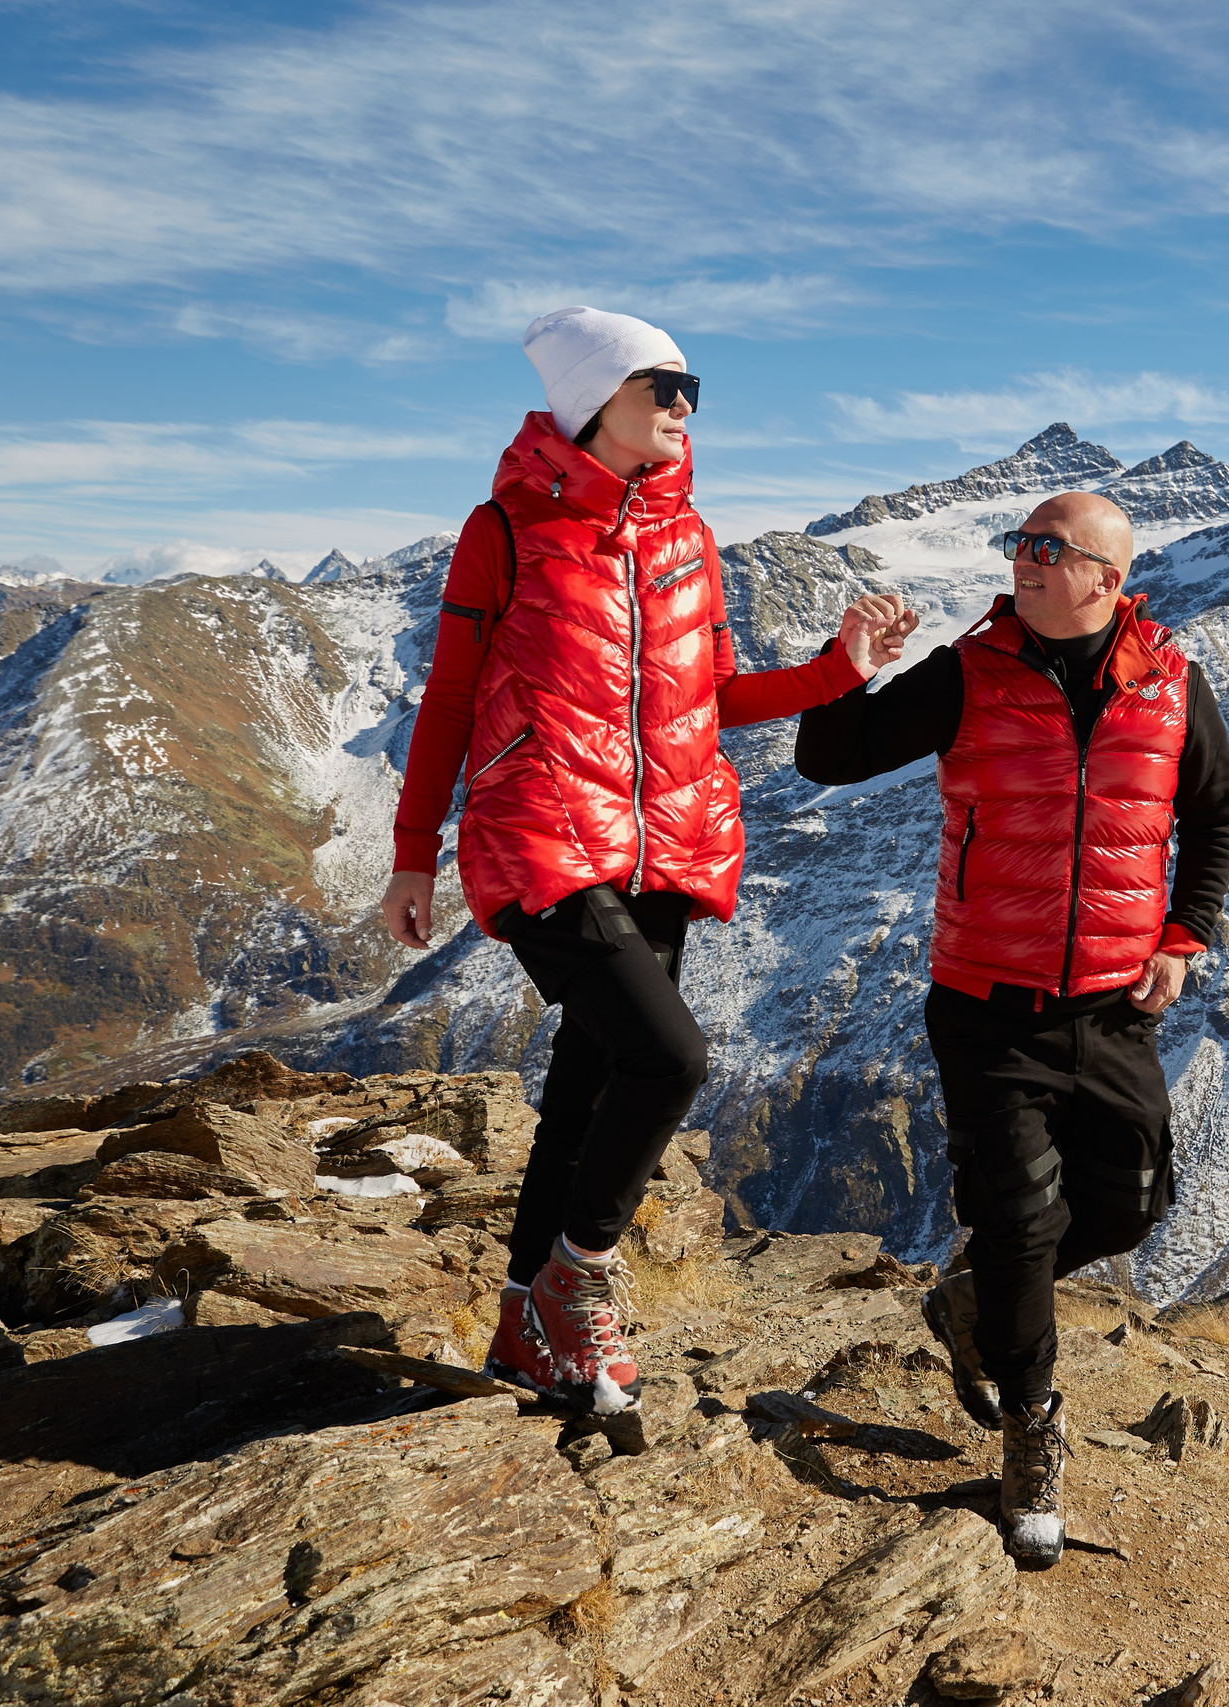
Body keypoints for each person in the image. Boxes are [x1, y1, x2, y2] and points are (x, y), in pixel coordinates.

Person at [380, 306, 916, 1415]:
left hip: (664, 844)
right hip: (540, 833)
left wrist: (835, 670)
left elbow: (715, 700)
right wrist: (411, 851)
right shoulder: (509, 528)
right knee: (669, 1060)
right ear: (594, 403)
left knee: (585, 1090)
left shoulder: (688, 540)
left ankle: (526, 1328)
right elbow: (449, 699)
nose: (683, 407)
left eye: (688, 389)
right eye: (659, 387)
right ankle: (581, 1281)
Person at [795, 491, 1229, 1565]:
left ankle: (975, 1295)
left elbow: (1217, 811)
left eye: (1049, 549)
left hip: (1113, 1005)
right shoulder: (970, 671)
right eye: (1019, 545)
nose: (1024, 562)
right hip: (987, 1004)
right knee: (1021, 1217)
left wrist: (1183, 938)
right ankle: (1029, 1431)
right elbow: (828, 758)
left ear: (1105, 578)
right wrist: (843, 665)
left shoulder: (1173, 685)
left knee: (1133, 1206)